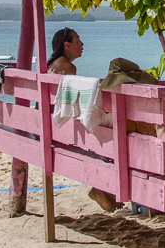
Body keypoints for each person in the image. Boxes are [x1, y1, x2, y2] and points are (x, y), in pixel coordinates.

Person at [46, 28, 121, 213]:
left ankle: (105, 190)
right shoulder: (67, 67)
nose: (82, 44)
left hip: (52, 122)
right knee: (118, 126)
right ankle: (102, 189)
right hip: (64, 127)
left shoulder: (53, 64)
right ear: (67, 45)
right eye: (78, 41)